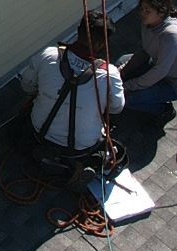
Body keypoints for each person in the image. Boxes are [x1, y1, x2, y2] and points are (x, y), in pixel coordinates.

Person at [22, 9, 120, 155]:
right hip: (80, 147)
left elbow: (26, 85)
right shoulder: (109, 74)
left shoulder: (49, 54)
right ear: (103, 44)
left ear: (78, 30)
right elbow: (116, 108)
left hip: (39, 131)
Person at [117, 0, 177, 120]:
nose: (143, 13)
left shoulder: (171, 35)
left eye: (147, 11)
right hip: (156, 64)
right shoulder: (148, 22)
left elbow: (160, 71)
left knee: (128, 98)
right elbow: (144, 51)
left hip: (173, 84)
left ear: (161, 12)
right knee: (121, 61)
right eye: (142, 9)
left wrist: (129, 86)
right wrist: (123, 71)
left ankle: (163, 110)